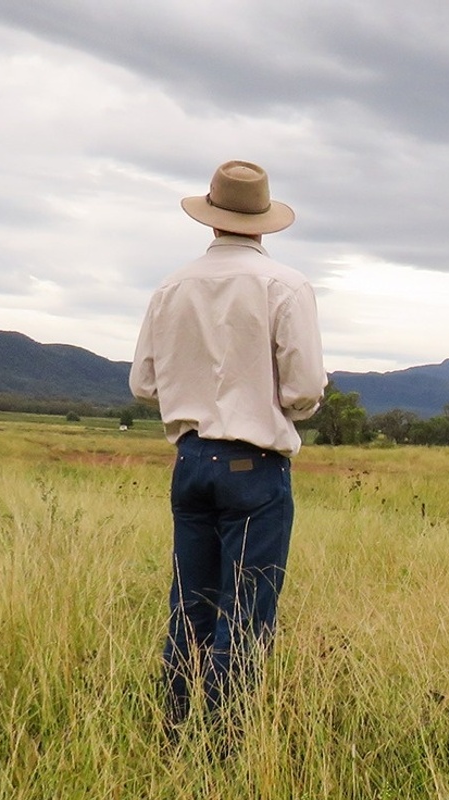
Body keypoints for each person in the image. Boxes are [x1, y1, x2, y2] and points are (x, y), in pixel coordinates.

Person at [130, 160, 327, 736]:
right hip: (254, 466)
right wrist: (279, 407)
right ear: (263, 222)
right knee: (245, 612)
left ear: (210, 217)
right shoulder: (285, 286)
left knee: (191, 603)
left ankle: (175, 730)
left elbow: (143, 384)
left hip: (191, 461)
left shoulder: (172, 285)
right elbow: (306, 389)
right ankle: (223, 745)